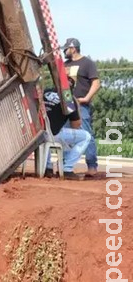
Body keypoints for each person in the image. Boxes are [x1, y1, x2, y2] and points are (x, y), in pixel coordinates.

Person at [62, 38, 101, 176]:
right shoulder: (64, 64)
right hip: (67, 104)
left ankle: (92, 166)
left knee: (86, 133)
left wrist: (87, 98)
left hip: (81, 105)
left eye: (66, 49)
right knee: (66, 135)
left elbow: (96, 83)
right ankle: (65, 166)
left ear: (73, 48)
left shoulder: (87, 63)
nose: (64, 51)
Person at [42, 81, 92, 180]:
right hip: (53, 135)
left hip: (38, 134)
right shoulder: (68, 97)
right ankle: (67, 168)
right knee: (86, 136)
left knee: (47, 132)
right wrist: (77, 107)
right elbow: (76, 125)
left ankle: (47, 167)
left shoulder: (45, 92)